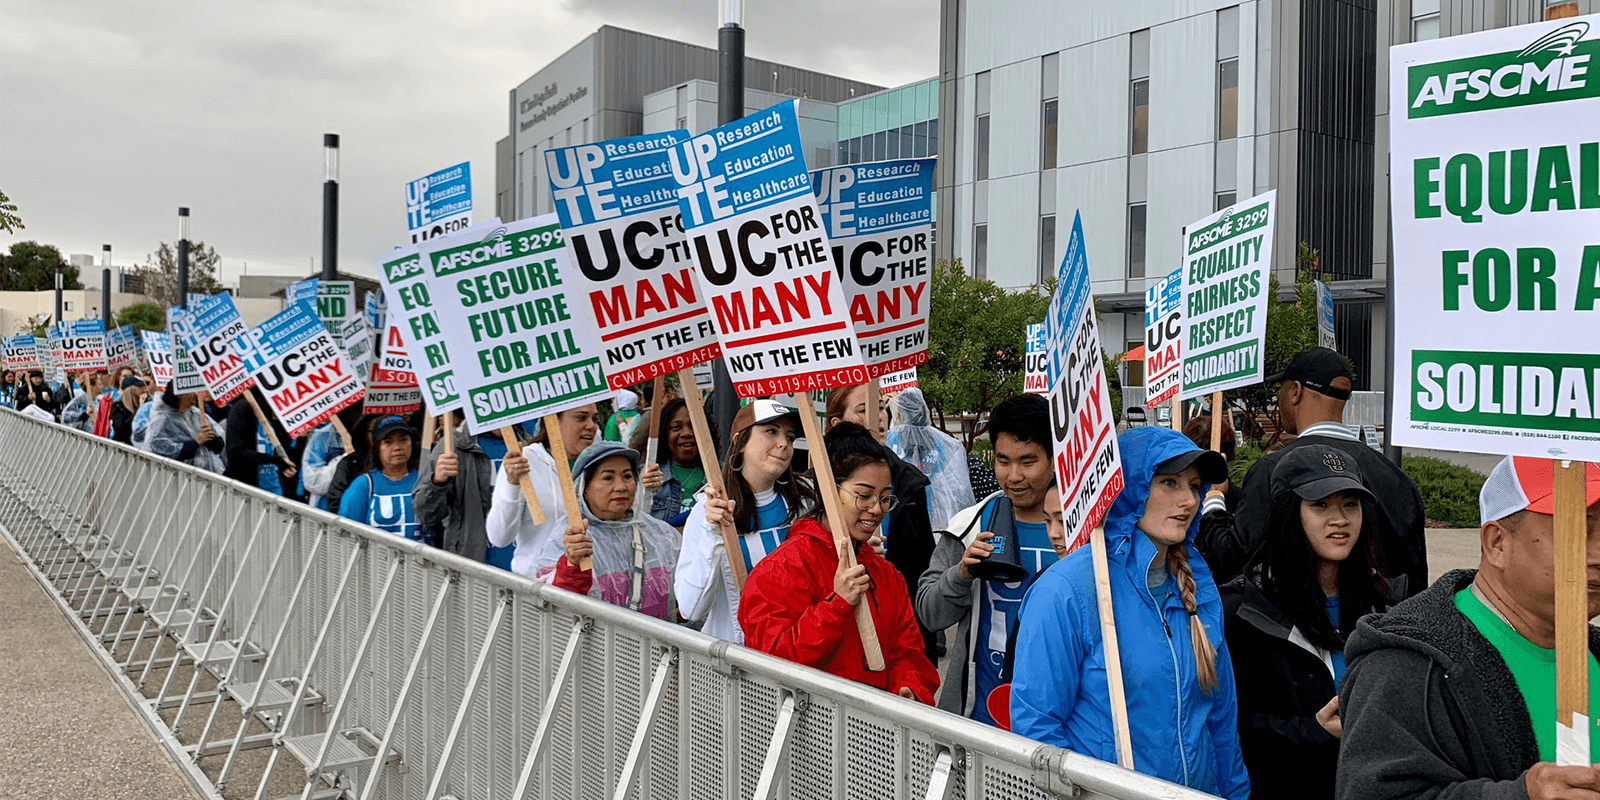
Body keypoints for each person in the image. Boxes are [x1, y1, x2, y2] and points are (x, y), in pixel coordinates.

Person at [1337, 458, 1600, 800]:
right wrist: (1520, 796)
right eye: (1578, 531)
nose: (1597, 553)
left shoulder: (1592, 652)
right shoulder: (1408, 665)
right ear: (1497, 543)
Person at [1010, 426, 1249, 798]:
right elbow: (1037, 729)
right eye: (1169, 483)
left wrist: (1235, 794)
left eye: (1194, 485)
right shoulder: (1066, 591)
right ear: (1128, 488)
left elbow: (1220, 719)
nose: (1188, 500)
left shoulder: (1199, 586)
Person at [1220, 447, 1396, 799]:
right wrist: (1313, 729)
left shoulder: (1386, 604)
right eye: (1321, 505)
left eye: (1350, 504)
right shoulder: (1243, 611)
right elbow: (1231, 728)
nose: (1340, 519)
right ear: (1288, 512)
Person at [1198, 347, 1428, 595]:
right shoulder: (1397, 478)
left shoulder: (1275, 471)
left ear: (1295, 391)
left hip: (1299, 627)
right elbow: (1416, 579)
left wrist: (1214, 500)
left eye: (1281, 390)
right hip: (1382, 627)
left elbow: (1230, 560)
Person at [739, 422, 940, 703]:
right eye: (863, 495)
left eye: (884, 498)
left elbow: (909, 653)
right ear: (829, 490)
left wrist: (908, 689)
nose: (876, 509)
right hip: (807, 733)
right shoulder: (781, 568)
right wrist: (836, 605)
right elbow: (771, 663)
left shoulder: (887, 574)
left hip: (875, 733)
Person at [916, 394, 1061, 720]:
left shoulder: (1084, 529)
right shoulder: (970, 525)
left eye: (1028, 461)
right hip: (979, 716)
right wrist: (961, 574)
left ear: (1054, 459)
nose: (1013, 476)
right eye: (1003, 460)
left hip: (1060, 717)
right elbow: (930, 614)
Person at [675, 399, 811, 641]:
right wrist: (712, 536)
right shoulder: (706, 512)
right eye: (771, 431)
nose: (784, 444)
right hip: (735, 662)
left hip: (796, 656)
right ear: (740, 440)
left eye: (790, 437)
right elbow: (690, 609)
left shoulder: (804, 504)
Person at [830, 384, 941, 659]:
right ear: (837, 423)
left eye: (880, 407)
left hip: (896, 639)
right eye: (863, 410)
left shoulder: (910, 483)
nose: (876, 417)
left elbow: (923, 570)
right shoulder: (815, 486)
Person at [487, 405, 660, 580]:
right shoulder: (524, 462)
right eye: (581, 417)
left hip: (596, 589)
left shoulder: (602, 463)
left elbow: (627, 524)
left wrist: (643, 490)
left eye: (594, 418)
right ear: (553, 421)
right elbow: (499, 537)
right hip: (537, 592)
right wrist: (512, 485)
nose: (591, 426)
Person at [540, 441, 683, 621]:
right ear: (584, 488)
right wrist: (571, 564)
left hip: (655, 647)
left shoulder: (659, 533)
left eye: (627, 476)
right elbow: (551, 605)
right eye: (608, 478)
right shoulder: (570, 536)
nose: (621, 486)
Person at [416, 412, 521, 566]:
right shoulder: (453, 445)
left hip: (524, 570)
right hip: (474, 566)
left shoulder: (530, 442)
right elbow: (425, 515)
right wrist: (437, 482)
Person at [887, 388, 975, 531]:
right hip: (935, 513)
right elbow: (957, 486)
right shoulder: (943, 442)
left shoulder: (890, 440)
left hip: (899, 511)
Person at [338, 415, 427, 542]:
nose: (397, 447)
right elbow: (346, 534)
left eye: (403, 440)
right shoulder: (363, 486)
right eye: (388, 442)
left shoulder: (424, 481)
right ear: (376, 448)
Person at [649, 397, 711, 524]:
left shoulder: (724, 475)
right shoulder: (649, 477)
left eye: (693, 426)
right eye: (676, 427)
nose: (686, 433)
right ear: (664, 434)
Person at [224, 389, 297, 494]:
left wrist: (282, 464)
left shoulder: (270, 412)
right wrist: (275, 460)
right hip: (249, 493)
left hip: (274, 490)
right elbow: (235, 452)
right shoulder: (242, 408)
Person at [146, 384, 226, 473]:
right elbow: (160, 448)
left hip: (207, 474)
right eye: (191, 393)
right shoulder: (162, 419)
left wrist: (210, 438)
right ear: (180, 395)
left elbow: (219, 445)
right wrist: (195, 442)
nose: (195, 395)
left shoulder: (196, 414)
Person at [109, 375, 146, 445]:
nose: (143, 390)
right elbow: (121, 429)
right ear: (131, 389)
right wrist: (139, 409)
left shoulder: (143, 403)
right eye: (139, 387)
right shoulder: (117, 406)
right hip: (123, 447)